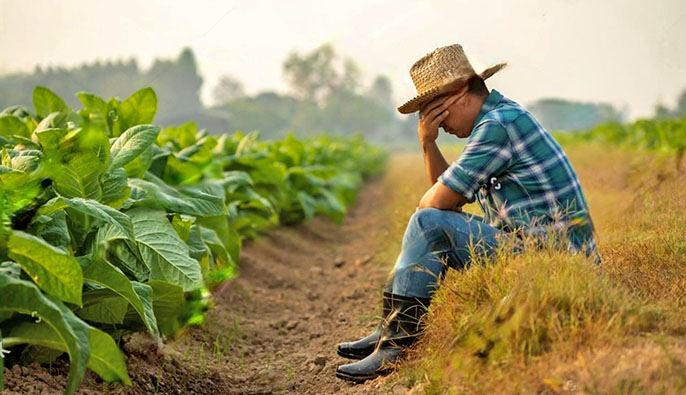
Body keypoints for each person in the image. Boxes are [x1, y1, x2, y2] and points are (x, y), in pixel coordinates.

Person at [334, 43, 601, 383]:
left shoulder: (497, 126)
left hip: (555, 263)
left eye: (434, 110)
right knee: (429, 222)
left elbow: (435, 205)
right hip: (542, 252)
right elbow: (451, 199)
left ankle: (396, 344)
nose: (434, 123)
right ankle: (391, 334)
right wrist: (428, 144)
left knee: (427, 222)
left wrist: (431, 184)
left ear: (460, 93)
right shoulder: (500, 118)